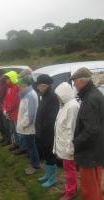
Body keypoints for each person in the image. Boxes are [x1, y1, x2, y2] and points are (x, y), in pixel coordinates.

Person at [70, 67, 104, 200]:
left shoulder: (90, 100)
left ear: (82, 81)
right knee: (95, 185)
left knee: (89, 189)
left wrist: (76, 141)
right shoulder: (95, 94)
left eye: (75, 82)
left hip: (89, 152)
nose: (74, 85)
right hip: (96, 149)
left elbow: (91, 129)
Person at [53, 82, 79, 200]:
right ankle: (70, 188)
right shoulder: (65, 105)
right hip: (63, 144)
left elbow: (71, 129)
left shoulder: (72, 107)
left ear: (64, 94)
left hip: (68, 146)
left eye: (58, 95)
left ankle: (71, 192)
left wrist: (69, 148)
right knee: (67, 170)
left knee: (70, 170)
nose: (57, 98)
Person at [35, 74, 59, 188]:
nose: (37, 88)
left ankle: (52, 179)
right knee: (45, 153)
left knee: (50, 155)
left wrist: (42, 129)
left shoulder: (52, 97)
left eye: (39, 86)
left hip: (48, 133)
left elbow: (51, 118)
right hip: (42, 132)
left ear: (44, 85)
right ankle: (47, 175)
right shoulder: (44, 95)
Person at [16, 77, 41, 175]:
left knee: (31, 147)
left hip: (28, 127)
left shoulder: (29, 95)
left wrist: (23, 124)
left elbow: (30, 114)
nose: (18, 86)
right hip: (27, 127)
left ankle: (35, 166)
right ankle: (33, 164)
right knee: (30, 146)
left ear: (25, 85)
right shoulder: (26, 94)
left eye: (20, 84)